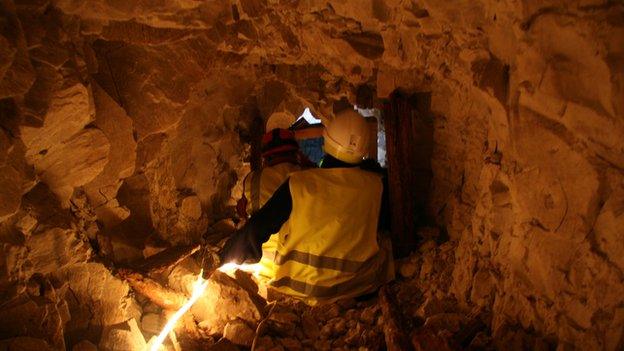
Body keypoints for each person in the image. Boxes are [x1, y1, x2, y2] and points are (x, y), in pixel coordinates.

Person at [222, 108, 393, 304]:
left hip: (298, 289)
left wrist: (225, 256)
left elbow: (258, 227)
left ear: (326, 142)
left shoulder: (300, 183)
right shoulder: (377, 185)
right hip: (357, 288)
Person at [236, 127, 304, 280]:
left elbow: (241, 211)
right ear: (295, 152)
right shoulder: (307, 176)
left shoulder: (253, 178)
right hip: (296, 265)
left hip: (261, 262)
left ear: (265, 156)